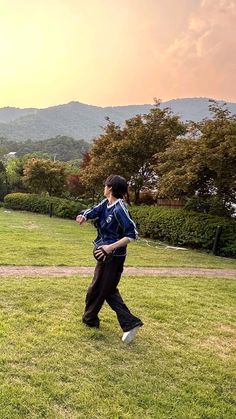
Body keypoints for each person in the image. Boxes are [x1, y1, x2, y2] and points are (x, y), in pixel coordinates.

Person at [76, 175, 143, 344]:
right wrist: (84, 215)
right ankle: (90, 319)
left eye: (105, 185)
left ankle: (130, 322)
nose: (104, 188)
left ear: (110, 188)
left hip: (114, 257)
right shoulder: (106, 203)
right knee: (97, 288)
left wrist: (110, 247)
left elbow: (133, 234)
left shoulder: (120, 208)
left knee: (106, 290)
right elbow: (93, 210)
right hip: (104, 254)